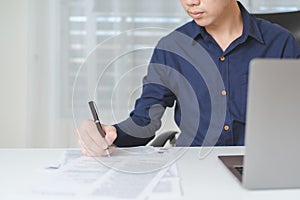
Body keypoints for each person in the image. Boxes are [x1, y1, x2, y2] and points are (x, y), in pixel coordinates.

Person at [77, 0, 300, 156]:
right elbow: (145, 121)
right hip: (194, 164)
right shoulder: (172, 47)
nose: (190, 2)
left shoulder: (280, 42)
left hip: (258, 161)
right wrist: (112, 133)